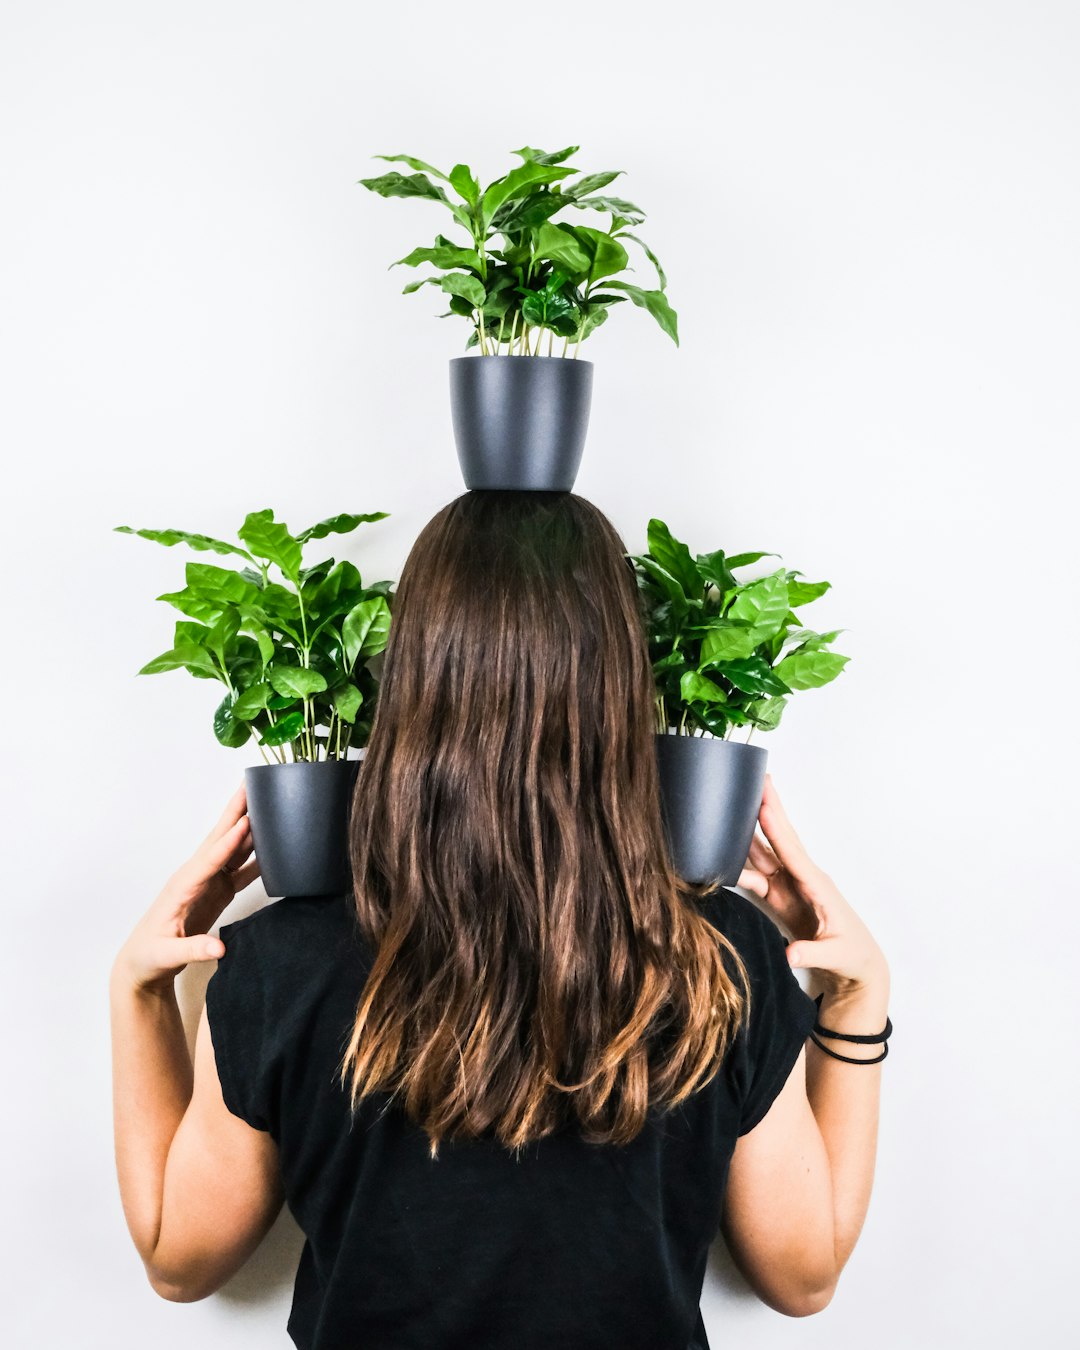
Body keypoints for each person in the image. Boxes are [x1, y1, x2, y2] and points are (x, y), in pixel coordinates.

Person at [110, 490, 891, 1350]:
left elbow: (177, 1262)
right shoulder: (720, 958)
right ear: (622, 691)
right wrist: (857, 998)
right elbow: (804, 1276)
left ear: (407, 685)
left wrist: (138, 992)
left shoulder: (281, 963)